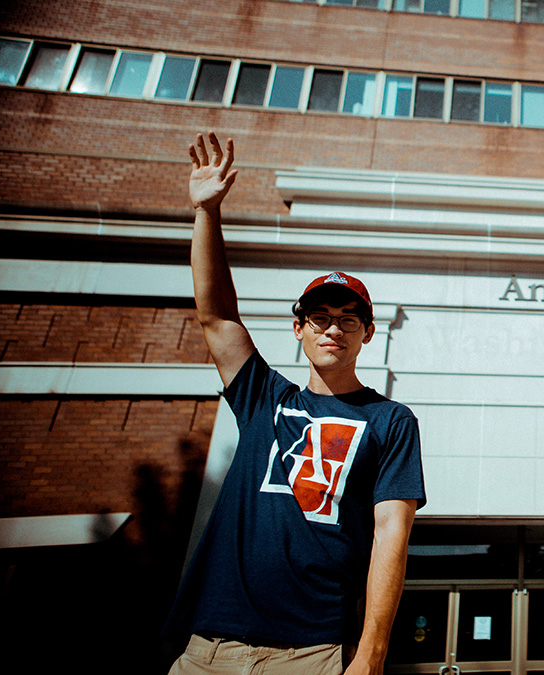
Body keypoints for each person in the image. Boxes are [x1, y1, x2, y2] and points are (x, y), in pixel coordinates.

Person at [164, 132, 426, 674]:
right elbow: (217, 316)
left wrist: (371, 655)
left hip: (312, 653)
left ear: (368, 334)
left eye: (348, 319)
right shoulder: (265, 398)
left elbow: (390, 536)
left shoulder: (391, 421)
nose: (334, 328)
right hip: (208, 649)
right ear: (299, 329)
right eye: (321, 318)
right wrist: (206, 214)